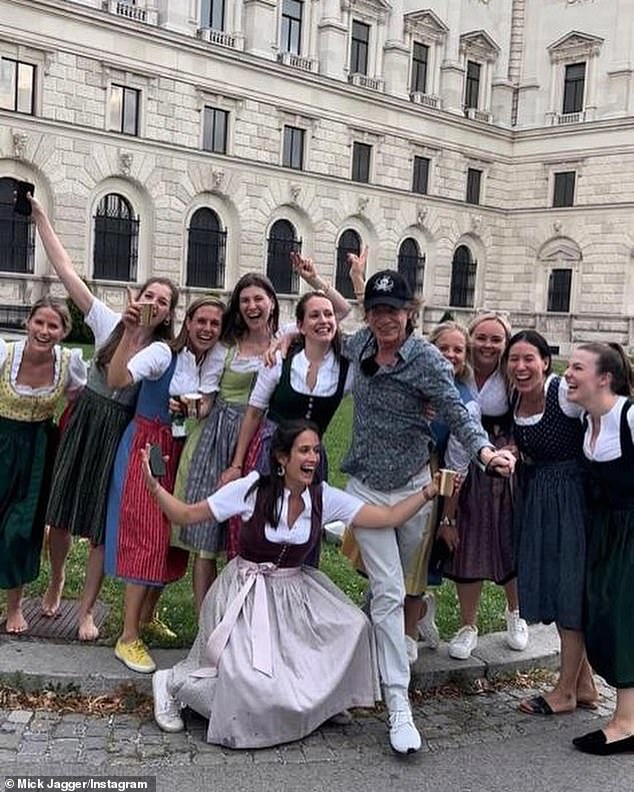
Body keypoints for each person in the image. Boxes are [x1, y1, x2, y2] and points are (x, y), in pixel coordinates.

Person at [143, 420, 441, 749]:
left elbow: (387, 517)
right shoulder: (252, 489)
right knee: (250, 682)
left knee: (355, 626)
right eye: (304, 450)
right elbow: (186, 515)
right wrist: (155, 488)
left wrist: (428, 491)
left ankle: (324, 703)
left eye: (316, 450)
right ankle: (170, 683)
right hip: (246, 596)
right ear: (283, 458)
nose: (313, 457)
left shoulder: (322, 497)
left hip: (295, 594)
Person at [337, 269, 515, 753]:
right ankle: (398, 705)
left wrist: (484, 454)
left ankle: (365, 668)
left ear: (409, 312)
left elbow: (459, 414)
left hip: (415, 492)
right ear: (368, 313)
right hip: (366, 490)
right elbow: (326, 328)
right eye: (376, 310)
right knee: (391, 592)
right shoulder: (359, 347)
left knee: (398, 589)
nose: (384, 318)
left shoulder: (428, 360)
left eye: (393, 310)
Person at [28, 194, 179, 639]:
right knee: (59, 515)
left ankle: (88, 608)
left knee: (97, 525)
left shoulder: (161, 350)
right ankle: (56, 582)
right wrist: (40, 218)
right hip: (83, 422)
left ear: (170, 313)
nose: (154, 303)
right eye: (149, 294)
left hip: (117, 432)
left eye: (163, 301)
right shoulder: (107, 320)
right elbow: (67, 272)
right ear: (138, 295)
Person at [104, 293, 224, 673]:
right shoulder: (161, 353)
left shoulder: (207, 361)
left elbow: (205, 403)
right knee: (148, 535)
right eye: (200, 321)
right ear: (187, 323)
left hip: (180, 447)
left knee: (172, 538)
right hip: (148, 446)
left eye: (214, 323)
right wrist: (129, 332)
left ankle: (147, 616)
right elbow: (119, 378)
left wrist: (196, 408)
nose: (206, 328)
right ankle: (127, 637)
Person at [220, 271, 354, 560]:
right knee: (263, 521)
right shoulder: (279, 360)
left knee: (303, 526)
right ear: (301, 326)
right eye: (315, 316)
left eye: (328, 315)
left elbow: (348, 312)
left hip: (310, 457)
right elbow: (254, 413)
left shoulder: (345, 369)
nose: (324, 321)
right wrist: (236, 464)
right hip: (272, 449)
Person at [171, 273, 279, 612]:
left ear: (271, 302)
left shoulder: (287, 341)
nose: (251, 306)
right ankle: (208, 620)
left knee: (252, 533)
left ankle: (244, 614)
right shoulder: (226, 348)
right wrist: (187, 405)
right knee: (207, 539)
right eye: (245, 300)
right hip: (218, 438)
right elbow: (207, 400)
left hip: (264, 440)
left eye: (258, 299)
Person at [504, 331, 596, 716]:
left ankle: (565, 692)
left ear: (545, 361)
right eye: (514, 360)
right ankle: (585, 684)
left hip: (571, 498)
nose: (521, 367)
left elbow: (604, 413)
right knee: (558, 585)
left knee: (569, 589)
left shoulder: (563, 393)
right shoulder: (514, 399)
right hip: (538, 496)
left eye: (529, 359)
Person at [443, 313, 528, 661]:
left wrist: (515, 449)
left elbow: (527, 419)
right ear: (471, 337)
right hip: (462, 463)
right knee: (469, 540)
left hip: (502, 464)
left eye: (496, 339)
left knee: (509, 539)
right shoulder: (457, 371)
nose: (488, 345)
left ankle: (515, 613)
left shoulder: (511, 378)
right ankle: (468, 624)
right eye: (482, 337)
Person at [0, 298, 87, 633]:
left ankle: (22, 602)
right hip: (4, 442)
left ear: (64, 331)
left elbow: (79, 408)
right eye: (40, 323)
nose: (45, 331)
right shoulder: (6, 354)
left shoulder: (69, 363)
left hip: (41, 448)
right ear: (28, 323)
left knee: (22, 527)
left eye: (53, 326)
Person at [564, 343, 634, 756]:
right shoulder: (587, 418)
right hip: (604, 530)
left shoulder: (628, 415)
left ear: (604, 378)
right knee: (604, 615)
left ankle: (626, 722)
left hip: (631, 529)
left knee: (620, 618)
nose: (568, 375)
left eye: (577, 367)